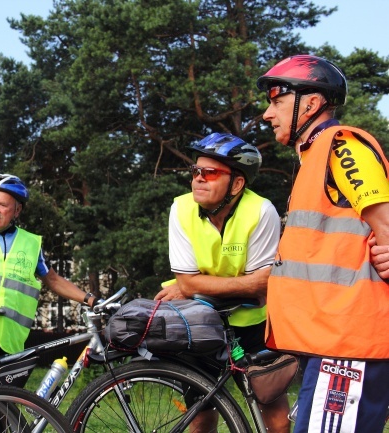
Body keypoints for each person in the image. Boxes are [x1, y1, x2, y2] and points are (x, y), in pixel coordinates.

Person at [258, 54, 389, 433]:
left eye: (276, 101)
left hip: (349, 345)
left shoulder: (341, 145)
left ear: (311, 103)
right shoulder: (314, 156)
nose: (268, 114)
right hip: (334, 342)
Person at [155, 133, 289, 433]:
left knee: (277, 419)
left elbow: (263, 286)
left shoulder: (261, 211)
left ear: (237, 184)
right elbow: (189, 283)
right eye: (196, 171)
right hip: (201, 321)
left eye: (210, 172)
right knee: (201, 418)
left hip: (254, 326)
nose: (198, 179)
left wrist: (193, 285)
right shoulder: (181, 209)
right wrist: (193, 286)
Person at [0, 173, 96, 355]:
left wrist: (91, 300)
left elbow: (53, 280)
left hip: (9, 343)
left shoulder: (31, 243)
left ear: (17, 210)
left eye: (2, 205)